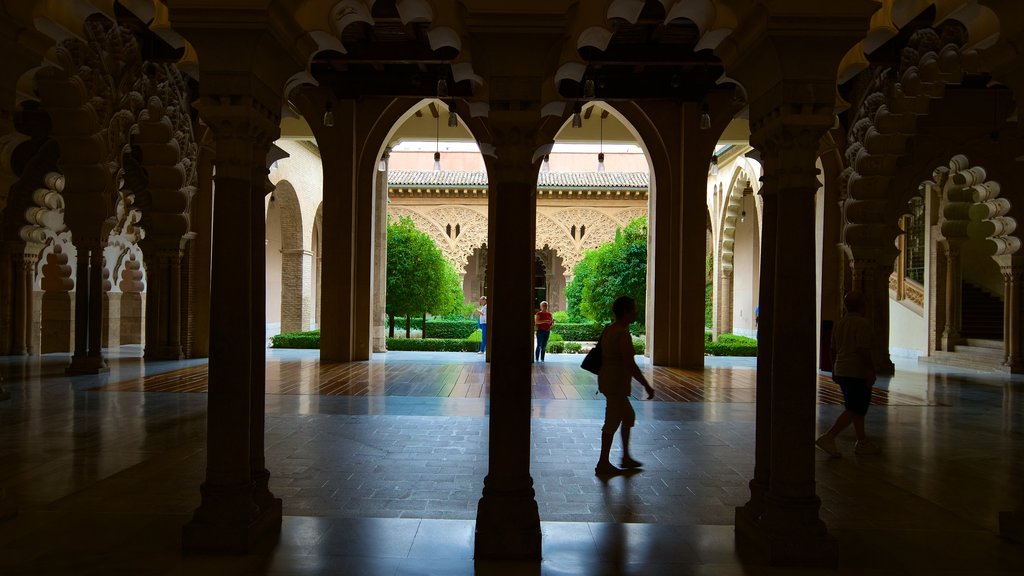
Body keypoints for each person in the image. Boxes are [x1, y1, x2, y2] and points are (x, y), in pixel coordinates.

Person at [596, 296, 655, 476]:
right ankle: (603, 463)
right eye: (633, 309)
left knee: (628, 416)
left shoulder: (610, 329)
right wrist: (646, 385)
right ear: (626, 312)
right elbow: (630, 363)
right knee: (612, 421)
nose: (635, 312)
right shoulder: (621, 333)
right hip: (615, 382)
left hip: (608, 379)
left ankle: (625, 457)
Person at [816, 291, 880, 457]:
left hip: (842, 370)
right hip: (856, 371)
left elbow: (832, 349)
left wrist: (833, 369)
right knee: (855, 408)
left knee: (857, 407)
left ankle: (862, 441)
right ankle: (829, 437)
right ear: (862, 306)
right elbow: (862, 350)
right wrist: (871, 370)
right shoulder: (862, 324)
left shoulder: (840, 323)